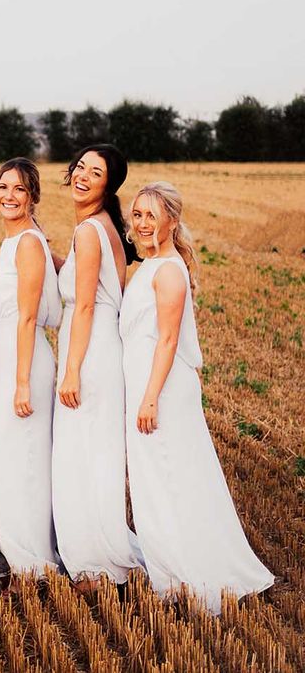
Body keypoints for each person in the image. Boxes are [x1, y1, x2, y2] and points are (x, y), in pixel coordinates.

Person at [121, 181, 273, 613]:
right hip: (147, 385)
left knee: (172, 476)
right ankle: (171, 569)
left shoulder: (169, 271)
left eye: (152, 214)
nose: (144, 222)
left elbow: (167, 341)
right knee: (156, 479)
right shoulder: (148, 267)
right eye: (138, 214)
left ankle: (193, 573)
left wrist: (149, 397)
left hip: (162, 391)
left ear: (171, 219)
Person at [52, 144, 143, 588]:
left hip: (87, 351)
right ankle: (100, 550)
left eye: (96, 172)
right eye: (81, 168)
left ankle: (95, 562)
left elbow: (84, 304)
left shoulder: (89, 230)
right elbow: (81, 277)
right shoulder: (104, 226)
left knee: (81, 453)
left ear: (109, 185)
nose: (83, 176)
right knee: (96, 451)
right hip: (103, 348)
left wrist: (70, 370)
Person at [0, 158, 63, 579]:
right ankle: (17, 551)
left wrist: (22, 382)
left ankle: (32, 559)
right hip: (12, 364)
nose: (10, 196)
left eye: (19, 189)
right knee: (7, 459)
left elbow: (28, 318)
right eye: (4, 188)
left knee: (18, 460)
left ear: (32, 197)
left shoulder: (29, 243)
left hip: (26, 365)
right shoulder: (15, 242)